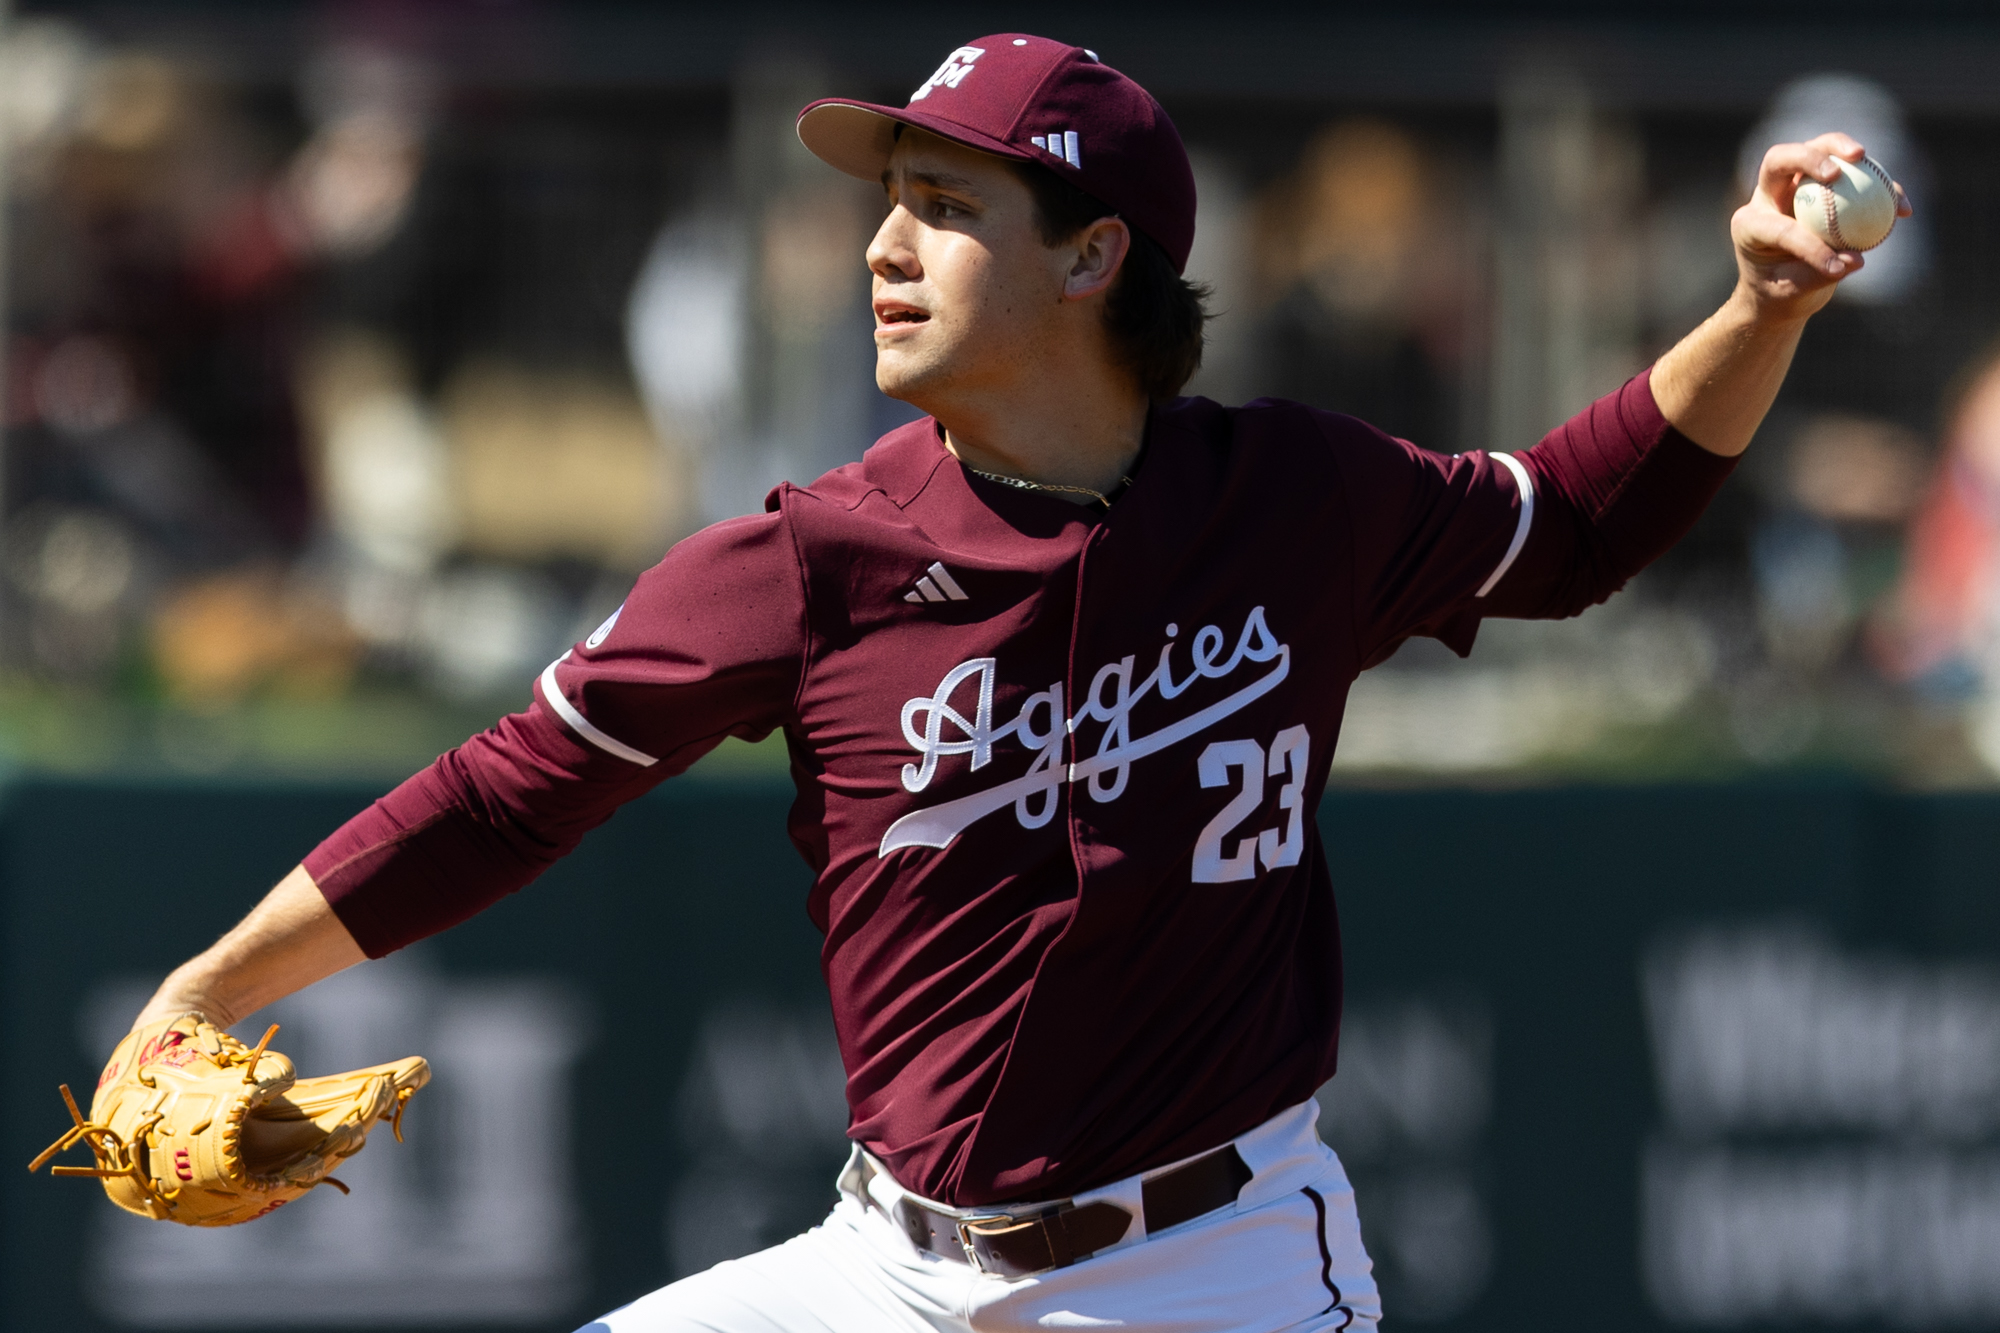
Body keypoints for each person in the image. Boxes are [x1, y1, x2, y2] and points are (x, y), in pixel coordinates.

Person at [115, 34, 1905, 1333]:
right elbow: (508, 790)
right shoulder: (807, 558)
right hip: (883, 1269)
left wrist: (1761, 307)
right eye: (887, 206)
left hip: (1214, 1274)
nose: (883, 249)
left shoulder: (1294, 498)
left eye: (944, 207)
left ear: (1092, 251)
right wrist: (205, 980)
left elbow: (1578, 521)